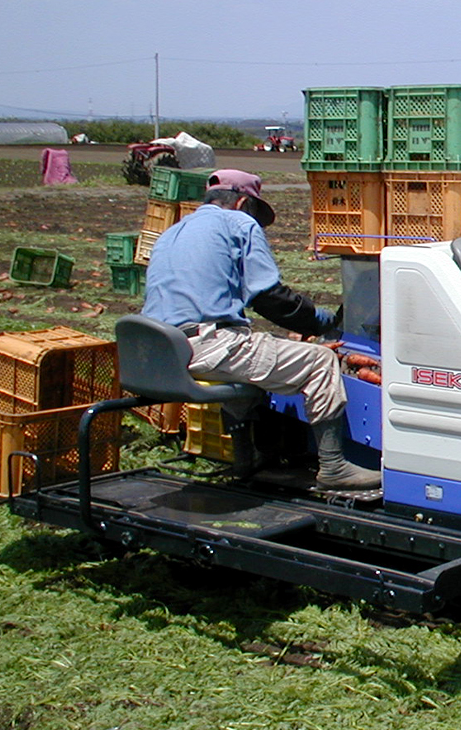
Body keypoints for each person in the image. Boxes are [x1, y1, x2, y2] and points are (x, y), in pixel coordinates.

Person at [141, 169, 381, 491]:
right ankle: (334, 467)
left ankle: (247, 460)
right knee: (319, 363)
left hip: (162, 350)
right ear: (243, 203)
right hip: (207, 344)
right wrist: (323, 322)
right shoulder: (238, 222)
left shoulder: (173, 232)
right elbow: (268, 297)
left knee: (243, 363)